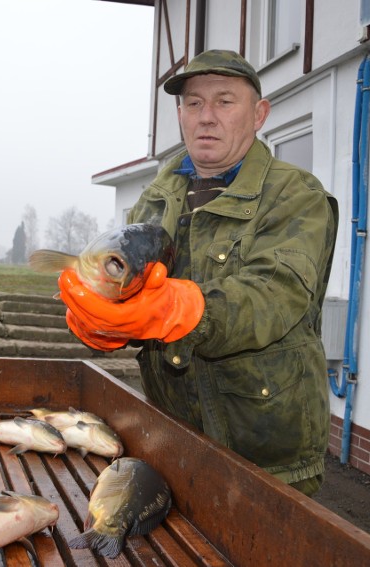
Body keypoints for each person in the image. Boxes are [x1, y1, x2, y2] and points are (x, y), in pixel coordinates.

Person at [58, 49, 339, 497]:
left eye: (225, 101)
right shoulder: (155, 199)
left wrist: (180, 309)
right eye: (194, 103)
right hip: (172, 434)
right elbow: (133, 295)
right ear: (180, 114)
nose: (206, 117)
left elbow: (274, 295)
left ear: (259, 114)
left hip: (265, 450)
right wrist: (106, 321)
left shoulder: (296, 195)